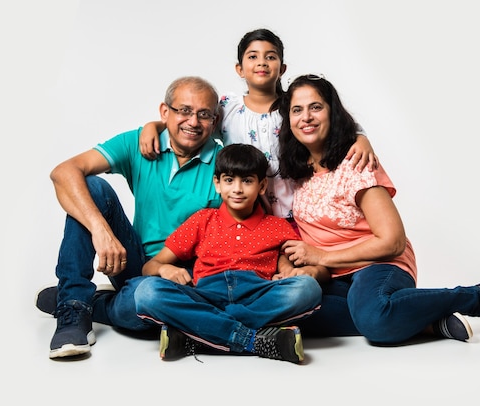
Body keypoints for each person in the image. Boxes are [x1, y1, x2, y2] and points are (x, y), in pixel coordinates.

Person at [277, 74, 480, 344]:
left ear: (332, 113)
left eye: (316, 107)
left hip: (376, 265)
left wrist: (321, 257)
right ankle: (424, 321)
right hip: (333, 277)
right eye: (297, 110)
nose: (306, 117)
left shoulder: (356, 163)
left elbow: (392, 242)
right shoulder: (294, 174)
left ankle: (479, 298)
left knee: (375, 320)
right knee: (290, 312)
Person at [35, 76, 225, 359]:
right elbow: (63, 172)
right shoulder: (141, 142)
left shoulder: (225, 164)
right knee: (90, 186)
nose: (193, 122)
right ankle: (73, 309)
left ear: (214, 119)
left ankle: (92, 303)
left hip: (182, 275)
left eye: (204, 114)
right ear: (164, 112)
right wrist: (100, 230)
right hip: (134, 261)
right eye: (184, 110)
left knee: (148, 306)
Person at [138, 28, 378, 223]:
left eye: (270, 56)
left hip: (298, 209)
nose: (261, 62)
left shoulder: (293, 106)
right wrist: (154, 125)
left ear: (282, 68)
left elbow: (336, 121)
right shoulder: (227, 108)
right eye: (252, 56)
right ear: (239, 69)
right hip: (249, 210)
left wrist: (360, 137)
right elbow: (196, 120)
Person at [134, 143, 324, 364]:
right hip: (206, 296)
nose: (237, 189)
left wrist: (304, 272)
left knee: (307, 289)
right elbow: (149, 267)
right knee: (146, 292)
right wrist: (165, 268)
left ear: (262, 186)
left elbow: (313, 270)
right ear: (217, 183)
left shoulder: (277, 226)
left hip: (257, 296)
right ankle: (251, 339)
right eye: (229, 180)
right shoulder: (202, 219)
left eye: (247, 181)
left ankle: (200, 335)